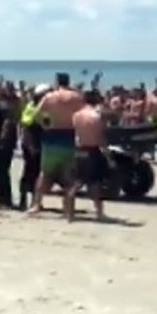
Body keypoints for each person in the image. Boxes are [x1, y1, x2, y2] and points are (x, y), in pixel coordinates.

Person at [28, 73, 84, 216]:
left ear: (57, 82)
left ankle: (37, 204)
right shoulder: (77, 97)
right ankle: (68, 210)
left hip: (52, 136)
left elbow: (36, 115)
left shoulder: (50, 97)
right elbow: (84, 115)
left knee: (45, 173)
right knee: (68, 175)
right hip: (69, 135)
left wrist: (46, 124)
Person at [68, 90, 109, 222]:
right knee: (95, 183)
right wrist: (108, 155)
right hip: (92, 150)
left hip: (79, 149)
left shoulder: (76, 115)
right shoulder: (96, 116)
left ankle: (70, 214)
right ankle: (99, 213)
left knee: (76, 182)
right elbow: (101, 137)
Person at [19, 84, 49, 210]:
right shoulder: (33, 107)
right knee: (31, 171)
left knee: (34, 171)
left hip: (34, 142)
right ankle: (25, 199)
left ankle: (33, 200)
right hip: (32, 142)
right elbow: (28, 122)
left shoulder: (34, 106)